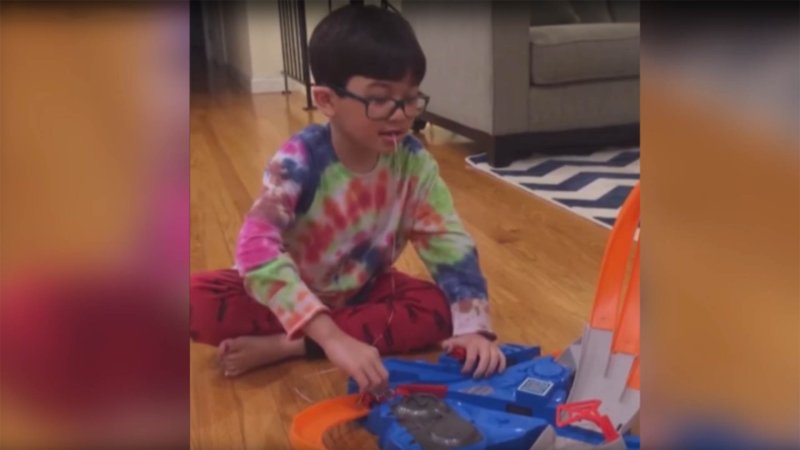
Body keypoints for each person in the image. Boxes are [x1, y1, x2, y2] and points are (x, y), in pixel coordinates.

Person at [190, 4, 506, 392]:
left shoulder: (415, 163)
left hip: (362, 292)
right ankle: (318, 336)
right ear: (326, 100)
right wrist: (332, 337)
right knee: (192, 300)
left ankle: (289, 346)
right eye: (380, 99)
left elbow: (448, 243)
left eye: (410, 99)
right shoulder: (299, 161)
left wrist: (474, 329)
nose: (400, 114)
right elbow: (255, 250)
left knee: (440, 310)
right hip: (292, 293)